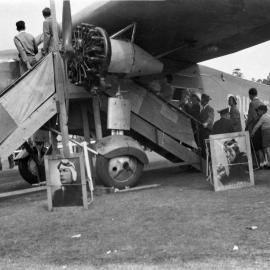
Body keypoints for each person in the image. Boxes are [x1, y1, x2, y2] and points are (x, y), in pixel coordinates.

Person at [246, 88, 265, 167]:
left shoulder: (252, 103)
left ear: (250, 95)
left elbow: (251, 117)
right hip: (262, 127)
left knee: (255, 147)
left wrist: (247, 126)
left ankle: (258, 164)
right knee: (260, 146)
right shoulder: (261, 103)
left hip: (254, 127)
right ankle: (263, 163)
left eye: (249, 95)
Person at [199, 93, 214, 158]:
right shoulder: (202, 110)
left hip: (207, 131)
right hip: (202, 131)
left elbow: (210, 118)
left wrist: (206, 123)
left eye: (202, 100)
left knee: (206, 148)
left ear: (205, 101)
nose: (201, 101)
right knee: (202, 148)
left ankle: (208, 163)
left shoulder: (210, 109)